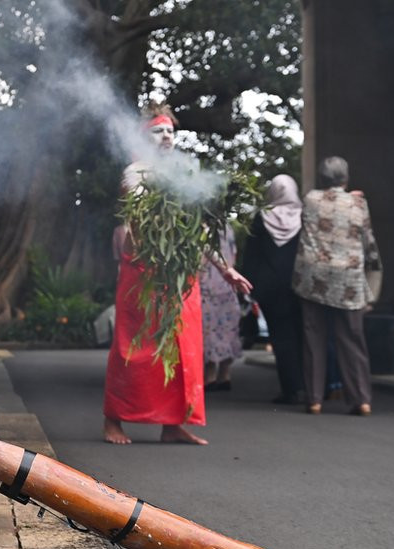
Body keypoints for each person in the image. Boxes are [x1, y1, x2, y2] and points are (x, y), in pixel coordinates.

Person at [103, 107, 252, 446]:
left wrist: (225, 269)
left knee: (183, 347)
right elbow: (135, 222)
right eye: (159, 131)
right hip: (143, 272)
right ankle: (113, 419)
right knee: (135, 347)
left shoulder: (185, 173)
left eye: (171, 131)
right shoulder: (136, 172)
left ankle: (173, 424)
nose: (167, 136)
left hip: (181, 274)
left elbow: (196, 231)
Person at [292, 156, 378, 416]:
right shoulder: (358, 202)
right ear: (346, 178)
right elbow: (368, 240)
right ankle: (361, 399)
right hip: (348, 280)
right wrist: (373, 270)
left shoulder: (309, 199)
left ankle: (315, 399)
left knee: (313, 338)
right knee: (352, 339)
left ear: (321, 179)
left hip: (313, 279)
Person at [242, 174, 306, 404]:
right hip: (298, 286)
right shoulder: (304, 217)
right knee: (302, 335)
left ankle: (290, 389)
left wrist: (247, 286)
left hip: (270, 289)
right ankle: (309, 387)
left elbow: (252, 255)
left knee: (281, 338)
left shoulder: (262, 217)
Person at [201, 224, 244, 391]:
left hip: (207, 285)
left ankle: (210, 373)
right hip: (226, 284)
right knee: (226, 329)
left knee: (209, 329)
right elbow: (233, 255)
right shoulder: (228, 228)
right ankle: (225, 373)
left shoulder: (203, 228)